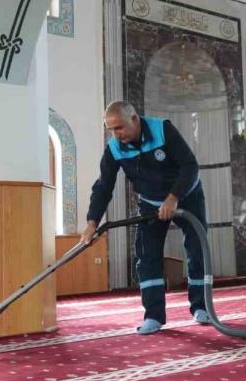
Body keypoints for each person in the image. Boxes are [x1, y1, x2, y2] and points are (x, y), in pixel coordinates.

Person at [81, 101, 210, 335]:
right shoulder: (115, 148)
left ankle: (201, 307)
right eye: (111, 129)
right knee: (147, 254)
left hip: (186, 196)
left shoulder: (162, 130)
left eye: (119, 127)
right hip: (150, 202)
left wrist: (173, 198)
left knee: (197, 248)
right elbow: (103, 187)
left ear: (134, 119)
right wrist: (92, 223)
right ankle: (153, 316)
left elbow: (190, 166)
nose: (116, 134)